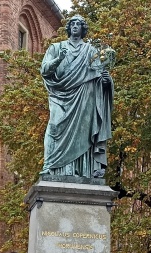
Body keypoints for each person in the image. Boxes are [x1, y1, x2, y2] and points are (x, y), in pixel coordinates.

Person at [40, 15, 113, 178]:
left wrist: (107, 83)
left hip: (85, 96)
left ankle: (82, 170)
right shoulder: (56, 48)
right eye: (72, 23)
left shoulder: (91, 51)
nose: (74, 26)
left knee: (84, 132)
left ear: (83, 28)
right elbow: (44, 69)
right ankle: (50, 165)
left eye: (78, 24)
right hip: (60, 94)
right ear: (68, 28)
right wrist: (58, 60)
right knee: (54, 125)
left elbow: (98, 77)